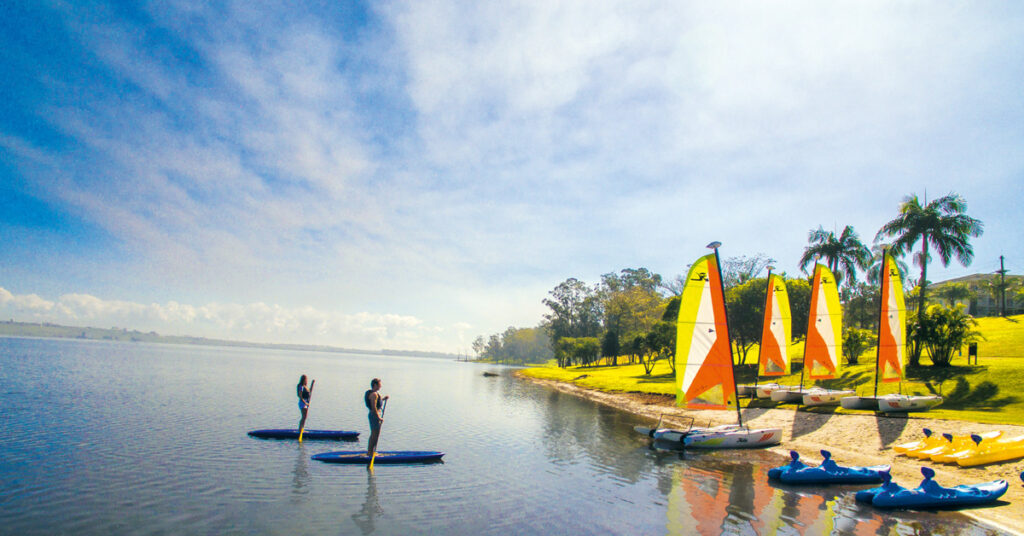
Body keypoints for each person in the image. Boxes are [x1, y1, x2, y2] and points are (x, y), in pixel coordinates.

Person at [364, 378, 389, 457]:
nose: (380, 386)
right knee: (374, 434)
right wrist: (379, 418)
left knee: (376, 434)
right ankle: (370, 452)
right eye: (379, 384)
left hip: (374, 415)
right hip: (374, 416)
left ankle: (371, 451)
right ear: (375, 385)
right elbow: (374, 407)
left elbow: (378, 401)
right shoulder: (374, 395)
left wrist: (384, 399)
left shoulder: (374, 394)